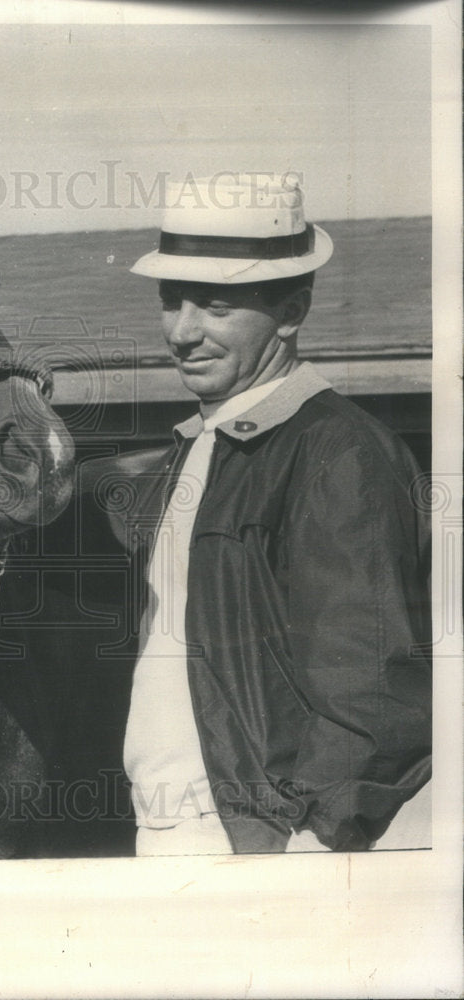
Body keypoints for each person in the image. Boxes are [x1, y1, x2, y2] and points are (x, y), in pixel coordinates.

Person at [101, 172, 432, 855]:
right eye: (172, 301)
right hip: (170, 832)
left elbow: (370, 685)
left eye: (217, 307)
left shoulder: (337, 454)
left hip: (265, 842)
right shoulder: (196, 450)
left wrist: (316, 838)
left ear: (292, 311)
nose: (183, 332)